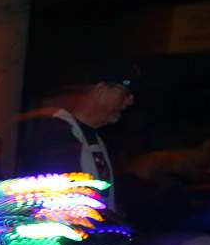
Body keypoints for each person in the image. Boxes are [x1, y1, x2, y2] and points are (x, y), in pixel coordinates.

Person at [18, 62, 140, 212]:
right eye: (125, 93)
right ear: (101, 89)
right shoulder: (58, 135)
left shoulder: (90, 137)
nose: (130, 101)